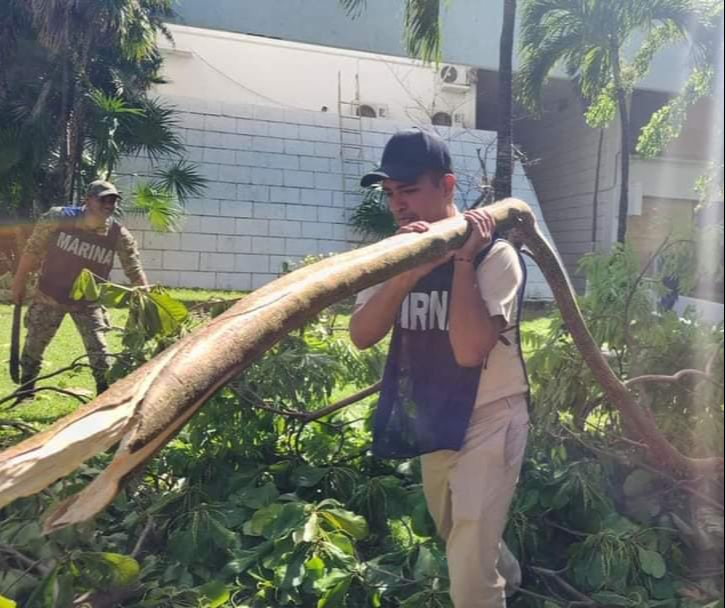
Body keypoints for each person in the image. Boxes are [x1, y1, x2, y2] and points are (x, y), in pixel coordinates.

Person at [349, 128, 530, 608]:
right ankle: (509, 576)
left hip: (490, 415)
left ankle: (487, 591)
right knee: (453, 525)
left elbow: (471, 352)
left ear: (447, 187)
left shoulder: (496, 256)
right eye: (391, 194)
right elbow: (363, 334)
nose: (398, 206)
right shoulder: (394, 255)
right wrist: (408, 272)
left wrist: (463, 262)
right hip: (433, 413)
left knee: (468, 559)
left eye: (409, 191)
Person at [10, 180, 149, 396]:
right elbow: (32, 250)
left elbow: (134, 269)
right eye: (103, 199)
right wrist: (18, 283)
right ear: (87, 200)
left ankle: (103, 395)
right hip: (50, 294)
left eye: (113, 200)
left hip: (88, 301)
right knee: (33, 347)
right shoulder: (58, 218)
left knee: (100, 355)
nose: (109, 204)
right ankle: (27, 390)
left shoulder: (118, 234)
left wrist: (147, 299)